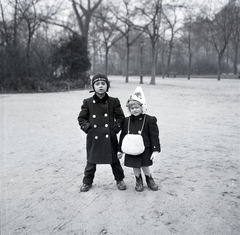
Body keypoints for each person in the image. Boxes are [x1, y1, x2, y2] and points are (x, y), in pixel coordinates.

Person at [77, 73, 126, 192]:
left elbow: (120, 117)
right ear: (93, 87)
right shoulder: (87, 102)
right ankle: (87, 181)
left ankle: (119, 179)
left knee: (114, 160)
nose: (100, 86)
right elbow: (81, 118)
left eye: (103, 84)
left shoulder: (114, 101)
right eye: (97, 84)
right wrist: (89, 129)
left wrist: (114, 130)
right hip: (94, 136)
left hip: (109, 136)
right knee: (91, 161)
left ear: (107, 86)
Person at [118, 86, 161, 192]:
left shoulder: (149, 120)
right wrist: (120, 150)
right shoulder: (126, 121)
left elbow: (154, 136)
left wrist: (155, 150)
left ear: (142, 107)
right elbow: (123, 135)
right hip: (131, 148)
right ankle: (138, 180)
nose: (134, 110)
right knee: (135, 165)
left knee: (144, 164)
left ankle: (149, 178)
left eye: (137, 107)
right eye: (132, 108)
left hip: (145, 148)